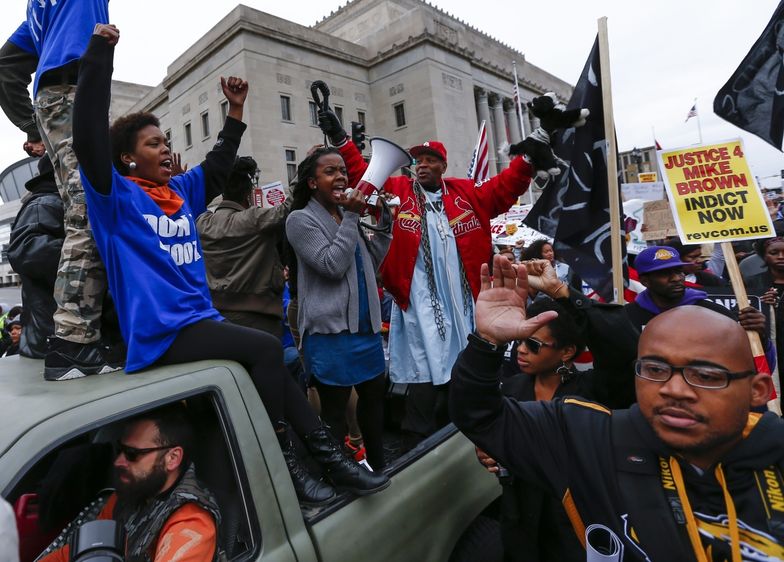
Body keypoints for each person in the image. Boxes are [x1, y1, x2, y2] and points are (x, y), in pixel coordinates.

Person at [72, 25, 388, 505]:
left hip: (201, 321)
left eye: (164, 140)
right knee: (265, 349)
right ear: (127, 159)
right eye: (154, 143)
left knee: (276, 368)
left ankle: (334, 464)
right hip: (160, 334)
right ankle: (290, 463)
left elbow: (218, 164)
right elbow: (87, 135)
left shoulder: (178, 195)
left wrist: (235, 111)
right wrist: (99, 55)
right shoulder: (115, 199)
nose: (165, 149)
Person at [451, 254, 784, 560]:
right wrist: (487, 342)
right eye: (655, 370)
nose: (675, 390)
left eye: (705, 375)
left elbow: (620, 347)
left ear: (758, 391)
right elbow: (481, 416)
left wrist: (565, 294)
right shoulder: (589, 436)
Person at [317, 111, 536, 445]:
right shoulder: (398, 190)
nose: (421, 165)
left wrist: (528, 160)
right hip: (418, 300)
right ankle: (419, 437)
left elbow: (506, 188)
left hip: (464, 302)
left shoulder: (466, 192)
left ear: (443, 167)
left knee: (465, 361)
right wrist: (341, 142)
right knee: (425, 364)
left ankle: (466, 427)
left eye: (430, 160)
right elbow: (365, 176)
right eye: (418, 159)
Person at [0, 0, 116, 380]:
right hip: (73, 93)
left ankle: (75, 340)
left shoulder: (40, 10)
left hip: (55, 101)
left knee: (81, 214)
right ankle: (73, 344)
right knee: (87, 214)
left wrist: (32, 126)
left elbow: (5, 66)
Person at [476, 297, 636, 561]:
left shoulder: (594, 392)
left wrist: (565, 293)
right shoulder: (512, 388)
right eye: (521, 339)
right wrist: (487, 451)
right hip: (521, 524)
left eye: (534, 344)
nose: (521, 350)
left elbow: (623, 350)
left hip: (577, 527)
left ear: (567, 351)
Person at [286, 147, 392, 471]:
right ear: (313, 182)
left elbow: (369, 262)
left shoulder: (347, 216)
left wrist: (384, 220)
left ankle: (379, 466)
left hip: (365, 330)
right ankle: (338, 476)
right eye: (330, 171)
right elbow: (332, 264)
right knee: (334, 414)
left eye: (343, 171)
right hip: (330, 335)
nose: (342, 177)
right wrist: (351, 216)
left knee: (373, 405)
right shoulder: (299, 220)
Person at [36, 404, 221, 562]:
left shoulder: (191, 523)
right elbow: (73, 554)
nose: (118, 462)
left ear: (172, 458)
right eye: (120, 450)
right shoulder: (129, 494)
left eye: (132, 454)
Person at [197, 156, 292, 337]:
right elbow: (288, 208)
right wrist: (306, 171)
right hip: (261, 317)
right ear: (248, 195)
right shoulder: (253, 219)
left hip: (217, 314)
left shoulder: (202, 223)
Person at [7, 157, 63, 359]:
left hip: (57, 337)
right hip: (52, 338)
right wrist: (88, 246)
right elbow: (27, 251)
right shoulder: (45, 203)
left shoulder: (60, 202)